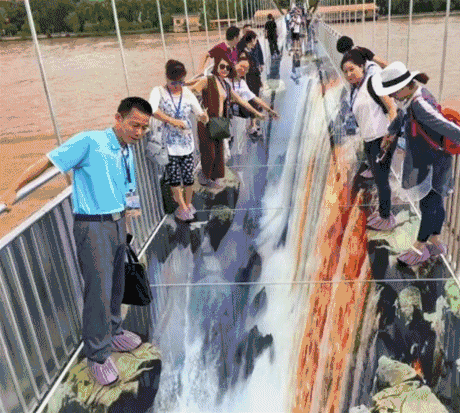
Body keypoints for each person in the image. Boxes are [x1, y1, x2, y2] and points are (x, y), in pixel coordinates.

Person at [0, 97, 153, 386]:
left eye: (144, 128)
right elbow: (48, 161)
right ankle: (98, 355)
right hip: (94, 226)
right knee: (98, 290)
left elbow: (126, 188)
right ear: (118, 119)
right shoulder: (89, 142)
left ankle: (114, 331)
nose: (139, 132)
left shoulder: (126, 149)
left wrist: (127, 223)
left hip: (118, 222)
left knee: (117, 283)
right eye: (135, 125)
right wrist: (12, 188)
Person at [371, 61, 460, 265]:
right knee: (435, 202)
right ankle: (435, 241)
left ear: (404, 86)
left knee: (429, 204)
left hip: (432, 162)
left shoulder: (419, 103)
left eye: (394, 92)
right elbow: (403, 116)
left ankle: (420, 246)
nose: (393, 97)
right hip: (431, 158)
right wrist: (391, 132)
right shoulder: (415, 96)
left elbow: (441, 124)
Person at [341, 49, 398, 231]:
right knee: (379, 177)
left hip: (381, 138)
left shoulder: (373, 82)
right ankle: (383, 213)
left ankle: (386, 217)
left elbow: (391, 108)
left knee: (381, 179)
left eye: (352, 69)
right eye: (345, 71)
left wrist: (390, 135)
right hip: (369, 139)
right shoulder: (356, 89)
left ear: (362, 67)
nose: (349, 74)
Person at [190, 53, 265, 189]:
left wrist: (257, 113)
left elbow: (242, 101)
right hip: (207, 122)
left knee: (222, 154)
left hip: (219, 123)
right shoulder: (208, 80)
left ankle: (208, 176)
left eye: (227, 68)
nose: (224, 70)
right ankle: (203, 177)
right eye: (222, 67)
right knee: (209, 152)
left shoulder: (225, 85)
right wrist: (199, 111)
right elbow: (192, 92)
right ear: (216, 67)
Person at [149, 60, 208, 221]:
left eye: (181, 82)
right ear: (166, 78)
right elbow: (152, 109)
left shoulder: (187, 93)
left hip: (187, 143)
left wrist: (204, 117)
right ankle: (182, 207)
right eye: (173, 83)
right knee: (174, 178)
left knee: (188, 178)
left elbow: (199, 113)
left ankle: (187, 205)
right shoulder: (158, 91)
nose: (177, 86)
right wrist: (172, 121)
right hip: (168, 144)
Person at [229, 52, 279, 156]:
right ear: (235, 64)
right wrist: (257, 113)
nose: (243, 70)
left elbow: (254, 98)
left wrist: (269, 111)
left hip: (235, 118)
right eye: (241, 67)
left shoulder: (241, 83)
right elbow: (241, 101)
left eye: (246, 69)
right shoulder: (225, 79)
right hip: (225, 117)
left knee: (235, 146)